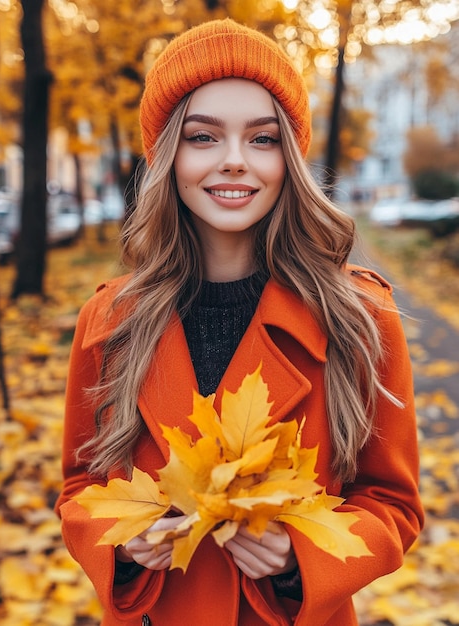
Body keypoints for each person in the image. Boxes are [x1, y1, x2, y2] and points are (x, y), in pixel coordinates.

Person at [55, 18, 423, 626]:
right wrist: (119, 544)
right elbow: (80, 489)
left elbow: (392, 505)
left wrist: (299, 558)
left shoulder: (358, 316)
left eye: (262, 139)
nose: (233, 162)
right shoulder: (110, 320)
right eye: (203, 137)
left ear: (291, 157)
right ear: (167, 156)